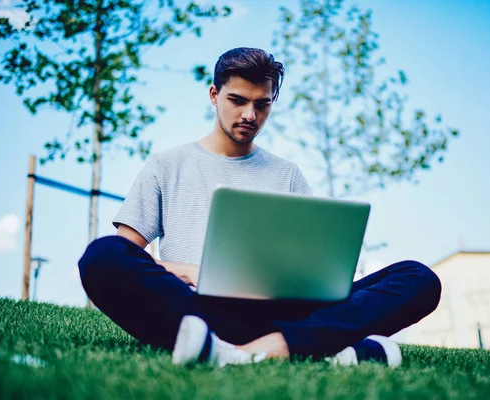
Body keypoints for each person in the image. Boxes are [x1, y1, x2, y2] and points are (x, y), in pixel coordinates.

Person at [78, 47, 441, 368]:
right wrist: (188, 269)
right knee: (101, 255)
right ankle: (322, 347)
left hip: (284, 311)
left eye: (262, 104)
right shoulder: (166, 165)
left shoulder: (288, 175)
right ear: (214, 95)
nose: (250, 114)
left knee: (418, 278)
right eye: (238, 100)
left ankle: (247, 350)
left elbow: (315, 265)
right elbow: (127, 252)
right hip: (194, 307)